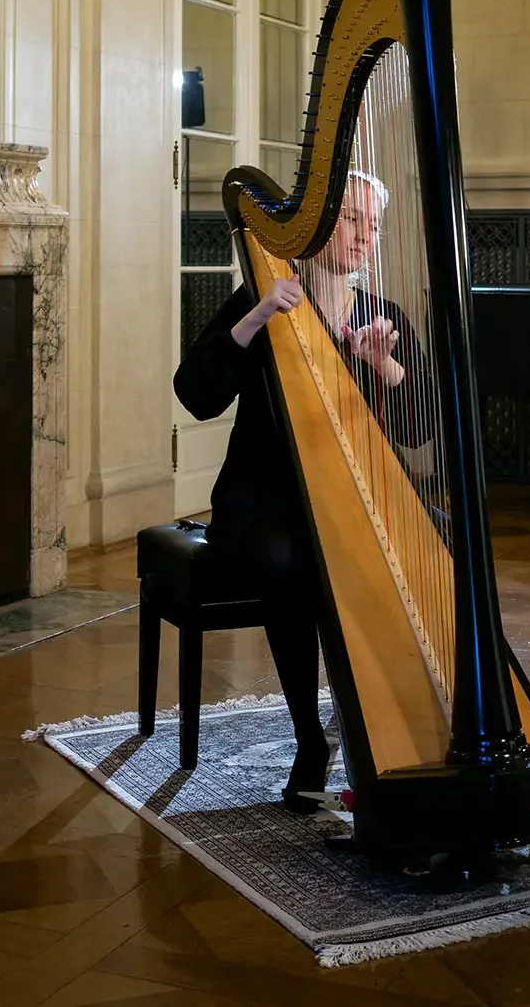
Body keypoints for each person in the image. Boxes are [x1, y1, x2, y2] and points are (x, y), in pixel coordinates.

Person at [172, 171, 432, 812]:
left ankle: (396, 714)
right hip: (262, 497)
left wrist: (384, 366)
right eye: (352, 220)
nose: (365, 236)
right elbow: (196, 393)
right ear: (315, 227)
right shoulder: (260, 298)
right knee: (289, 555)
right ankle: (310, 737)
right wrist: (257, 318)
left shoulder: (383, 317)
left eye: (375, 225)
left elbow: (421, 427)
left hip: (355, 498)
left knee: (437, 537)